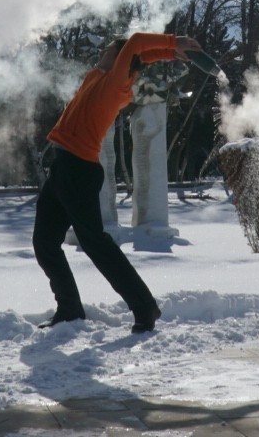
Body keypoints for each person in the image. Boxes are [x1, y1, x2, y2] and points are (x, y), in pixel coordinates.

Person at [33, 30, 202, 333]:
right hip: (62, 167)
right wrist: (167, 54)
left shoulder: (115, 86)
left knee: (96, 244)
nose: (103, 52)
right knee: (44, 242)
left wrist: (174, 42)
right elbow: (139, 54)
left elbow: (136, 43)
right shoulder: (99, 76)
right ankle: (69, 309)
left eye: (110, 49)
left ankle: (144, 306)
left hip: (78, 170)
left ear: (120, 59)